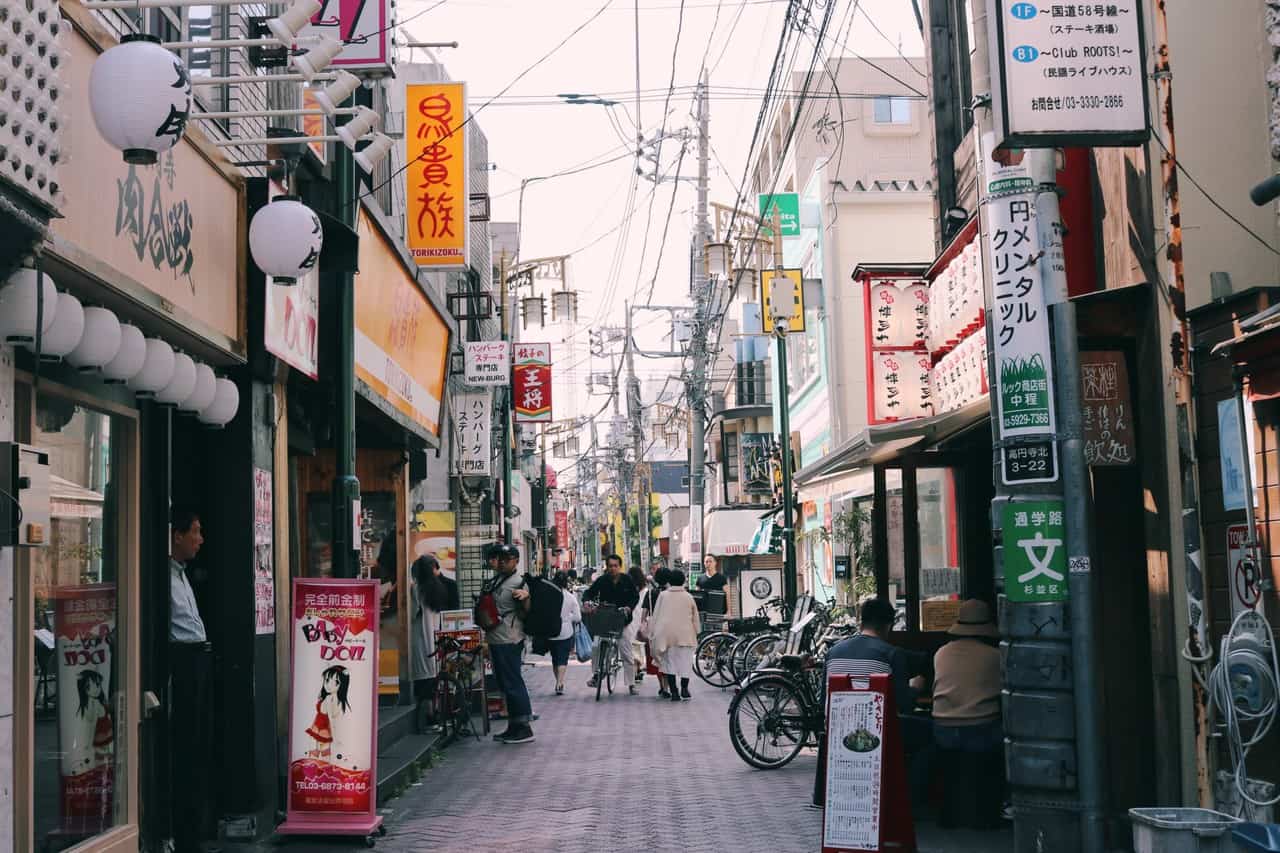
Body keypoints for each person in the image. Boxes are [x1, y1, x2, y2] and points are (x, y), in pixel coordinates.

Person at [816, 597, 928, 807]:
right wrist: (916, 687)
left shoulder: (832, 653)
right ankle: (911, 801)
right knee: (931, 734)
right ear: (889, 625)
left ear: (861, 621)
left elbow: (823, 701)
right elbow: (904, 705)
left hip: (838, 735)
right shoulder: (891, 654)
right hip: (879, 738)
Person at [932, 599, 1003, 829]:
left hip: (942, 724)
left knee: (948, 770)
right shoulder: (995, 655)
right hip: (982, 726)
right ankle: (986, 817)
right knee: (988, 768)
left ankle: (948, 816)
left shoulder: (941, 653)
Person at [169, 506, 214, 853]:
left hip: (198, 658)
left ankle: (193, 832)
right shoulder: (163, 575)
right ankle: (184, 836)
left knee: (199, 745)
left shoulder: (181, 573)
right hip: (181, 664)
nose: (200, 539)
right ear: (176, 535)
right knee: (185, 745)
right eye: (195, 531)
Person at [482, 544, 535, 744]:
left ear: (516, 561)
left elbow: (526, 611)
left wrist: (526, 598)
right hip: (496, 638)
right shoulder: (498, 579)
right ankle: (513, 726)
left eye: (508, 558)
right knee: (505, 683)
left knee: (513, 682)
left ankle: (524, 727)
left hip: (509, 638)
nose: (502, 561)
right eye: (500, 557)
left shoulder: (519, 582)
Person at [582, 554, 640, 689]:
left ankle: (631, 683)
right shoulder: (602, 580)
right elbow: (589, 593)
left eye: (615, 566)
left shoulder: (627, 580)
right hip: (605, 619)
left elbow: (635, 596)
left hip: (622, 620)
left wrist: (629, 608)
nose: (613, 569)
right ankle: (596, 674)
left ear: (620, 567)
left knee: (626, 651)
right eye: (610, 566)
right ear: (606, 567)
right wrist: (586, 602)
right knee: (596, 646)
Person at [409, 554, 450, 722]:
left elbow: (412, 613)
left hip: (420, 636)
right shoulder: (437, 588)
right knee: (433, 675)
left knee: (422, 676)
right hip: (434, 636)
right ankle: (435, 712)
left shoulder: (416, 589)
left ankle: (428, 716)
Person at [650, 569, 700, 701]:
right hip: (686, 634)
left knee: (669, 664)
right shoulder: (689, 597)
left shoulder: (663, 595)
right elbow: (695, 617)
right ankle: (684, 688)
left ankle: (674, 692)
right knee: (685, 663)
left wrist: (653, 631)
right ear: (683, 581)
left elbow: (656, 615)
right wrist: (697, 631)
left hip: (667, 636)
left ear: (669, 581)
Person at [549, 571, 582, 695]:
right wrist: (568, 618)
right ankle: (560, 682)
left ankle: (557, 680)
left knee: (554, 658)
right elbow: (578, 617)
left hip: (551, 631)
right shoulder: (570, 597)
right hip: (566, 631)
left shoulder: (549, 595)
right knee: (562, 658)